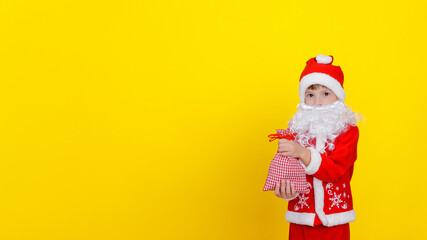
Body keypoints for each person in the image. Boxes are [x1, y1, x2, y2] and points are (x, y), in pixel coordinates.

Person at [274, 54, 361, 240]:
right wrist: (285, 190)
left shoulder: (348, 131)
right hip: (301, 217)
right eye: (310, 95)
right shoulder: (295, 131)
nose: (318, 102)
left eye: (326, 94)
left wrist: (303, 153)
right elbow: (287, 172)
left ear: (339, 96)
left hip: (334, 219)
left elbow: (336, 169)